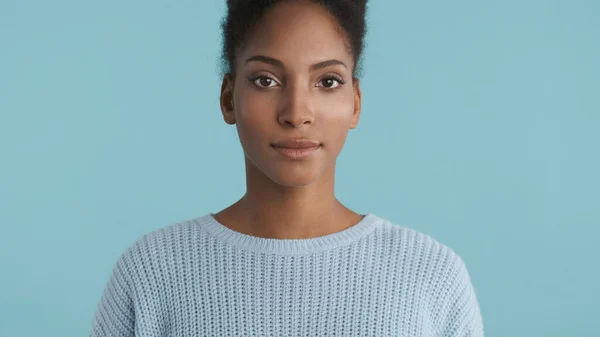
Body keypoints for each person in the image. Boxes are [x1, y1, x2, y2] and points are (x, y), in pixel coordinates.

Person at [89, 0, 484, 336]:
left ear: (356, 103)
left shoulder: (431, 274)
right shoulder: (151, 270)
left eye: (327, 81)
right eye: (266, 80)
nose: (297, 113)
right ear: (228, 98)